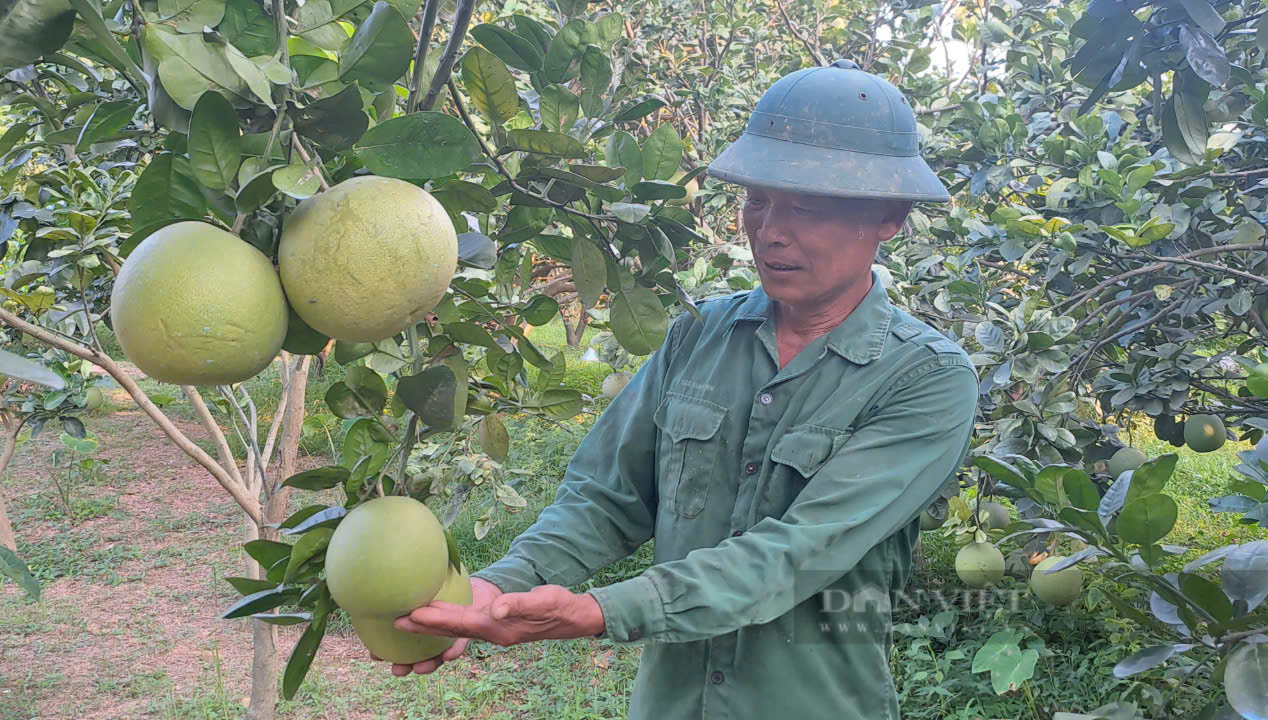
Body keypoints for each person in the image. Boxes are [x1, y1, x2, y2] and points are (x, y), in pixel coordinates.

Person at [379, 60, 979, 719]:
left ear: (888, 216)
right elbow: (607, 499)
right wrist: (498, 587)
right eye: (757, 199)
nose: (769, 229)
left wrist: (599, 612)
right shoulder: (699, 335)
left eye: (805, 206)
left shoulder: (926, 379)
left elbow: (798, 551)